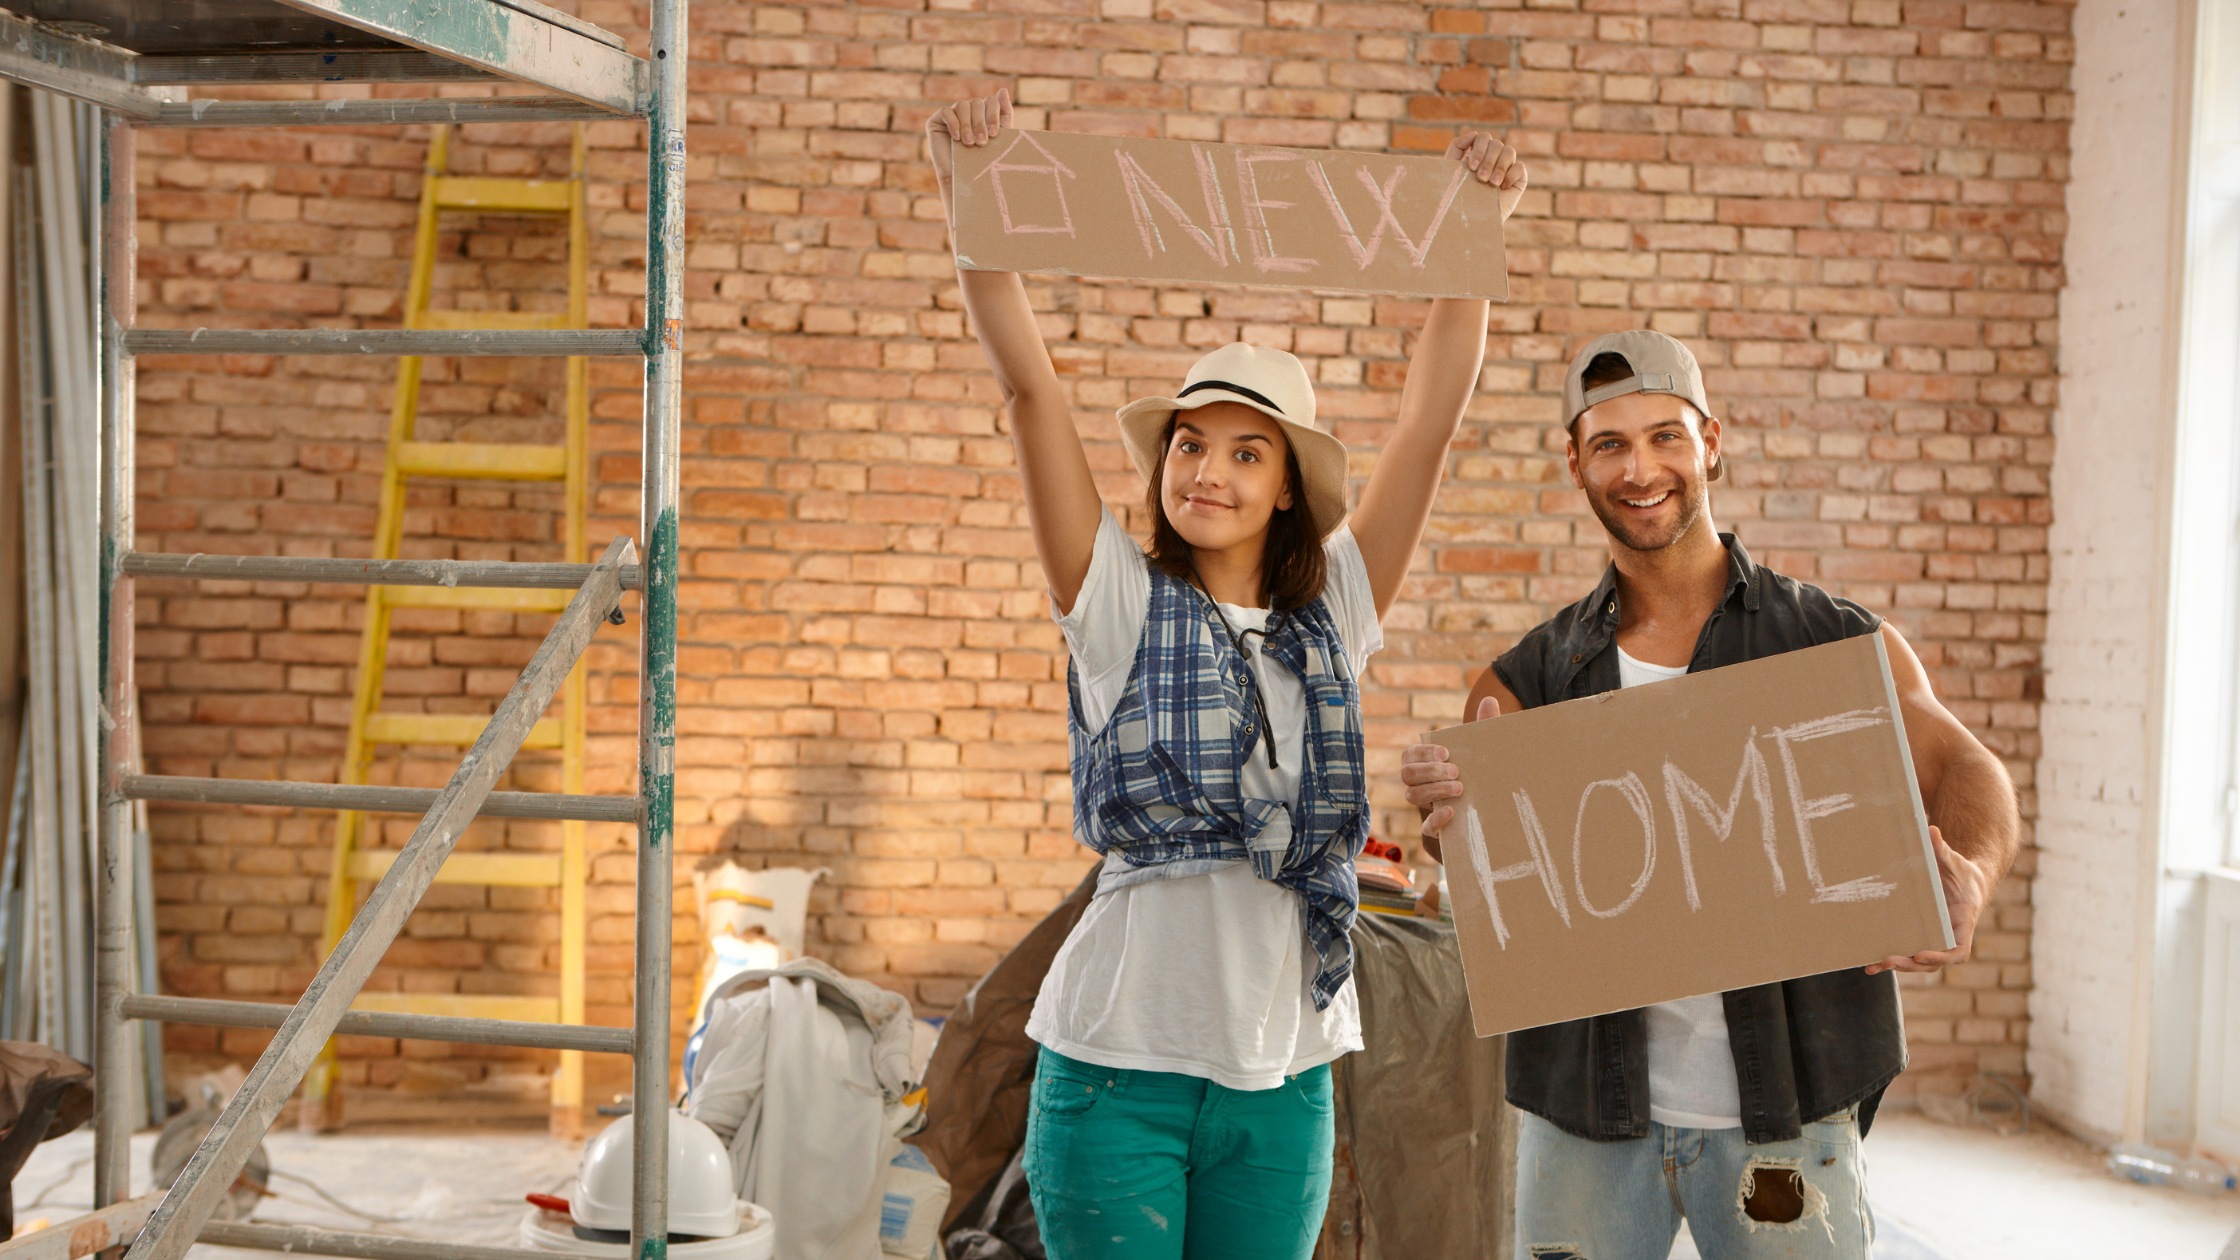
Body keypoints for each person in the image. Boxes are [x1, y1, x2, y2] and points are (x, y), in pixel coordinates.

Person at [926, 89, 1527, 1260]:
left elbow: (1428, 427)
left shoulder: (1331, 613)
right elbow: (1027, 393)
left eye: (1244, 451)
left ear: (1289, 482)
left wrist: (1473, 233)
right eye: (1188, 444)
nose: (1205, 469)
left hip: (1281, 1075)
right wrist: (971, 189)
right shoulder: (1115, 602)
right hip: (1114, 1070)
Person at [1401, 331, 2020, 1260]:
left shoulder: (1832, 644)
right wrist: (1447, 822)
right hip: (1586, 1118)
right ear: (1575, 463)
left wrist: (1969, 868)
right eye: (1609, 444)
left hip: (1789, 1117)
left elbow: (1973, 771)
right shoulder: (1524, 680)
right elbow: (1490, 877)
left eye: (1665, 437)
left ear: (1711, 443)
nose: (1640, 468)